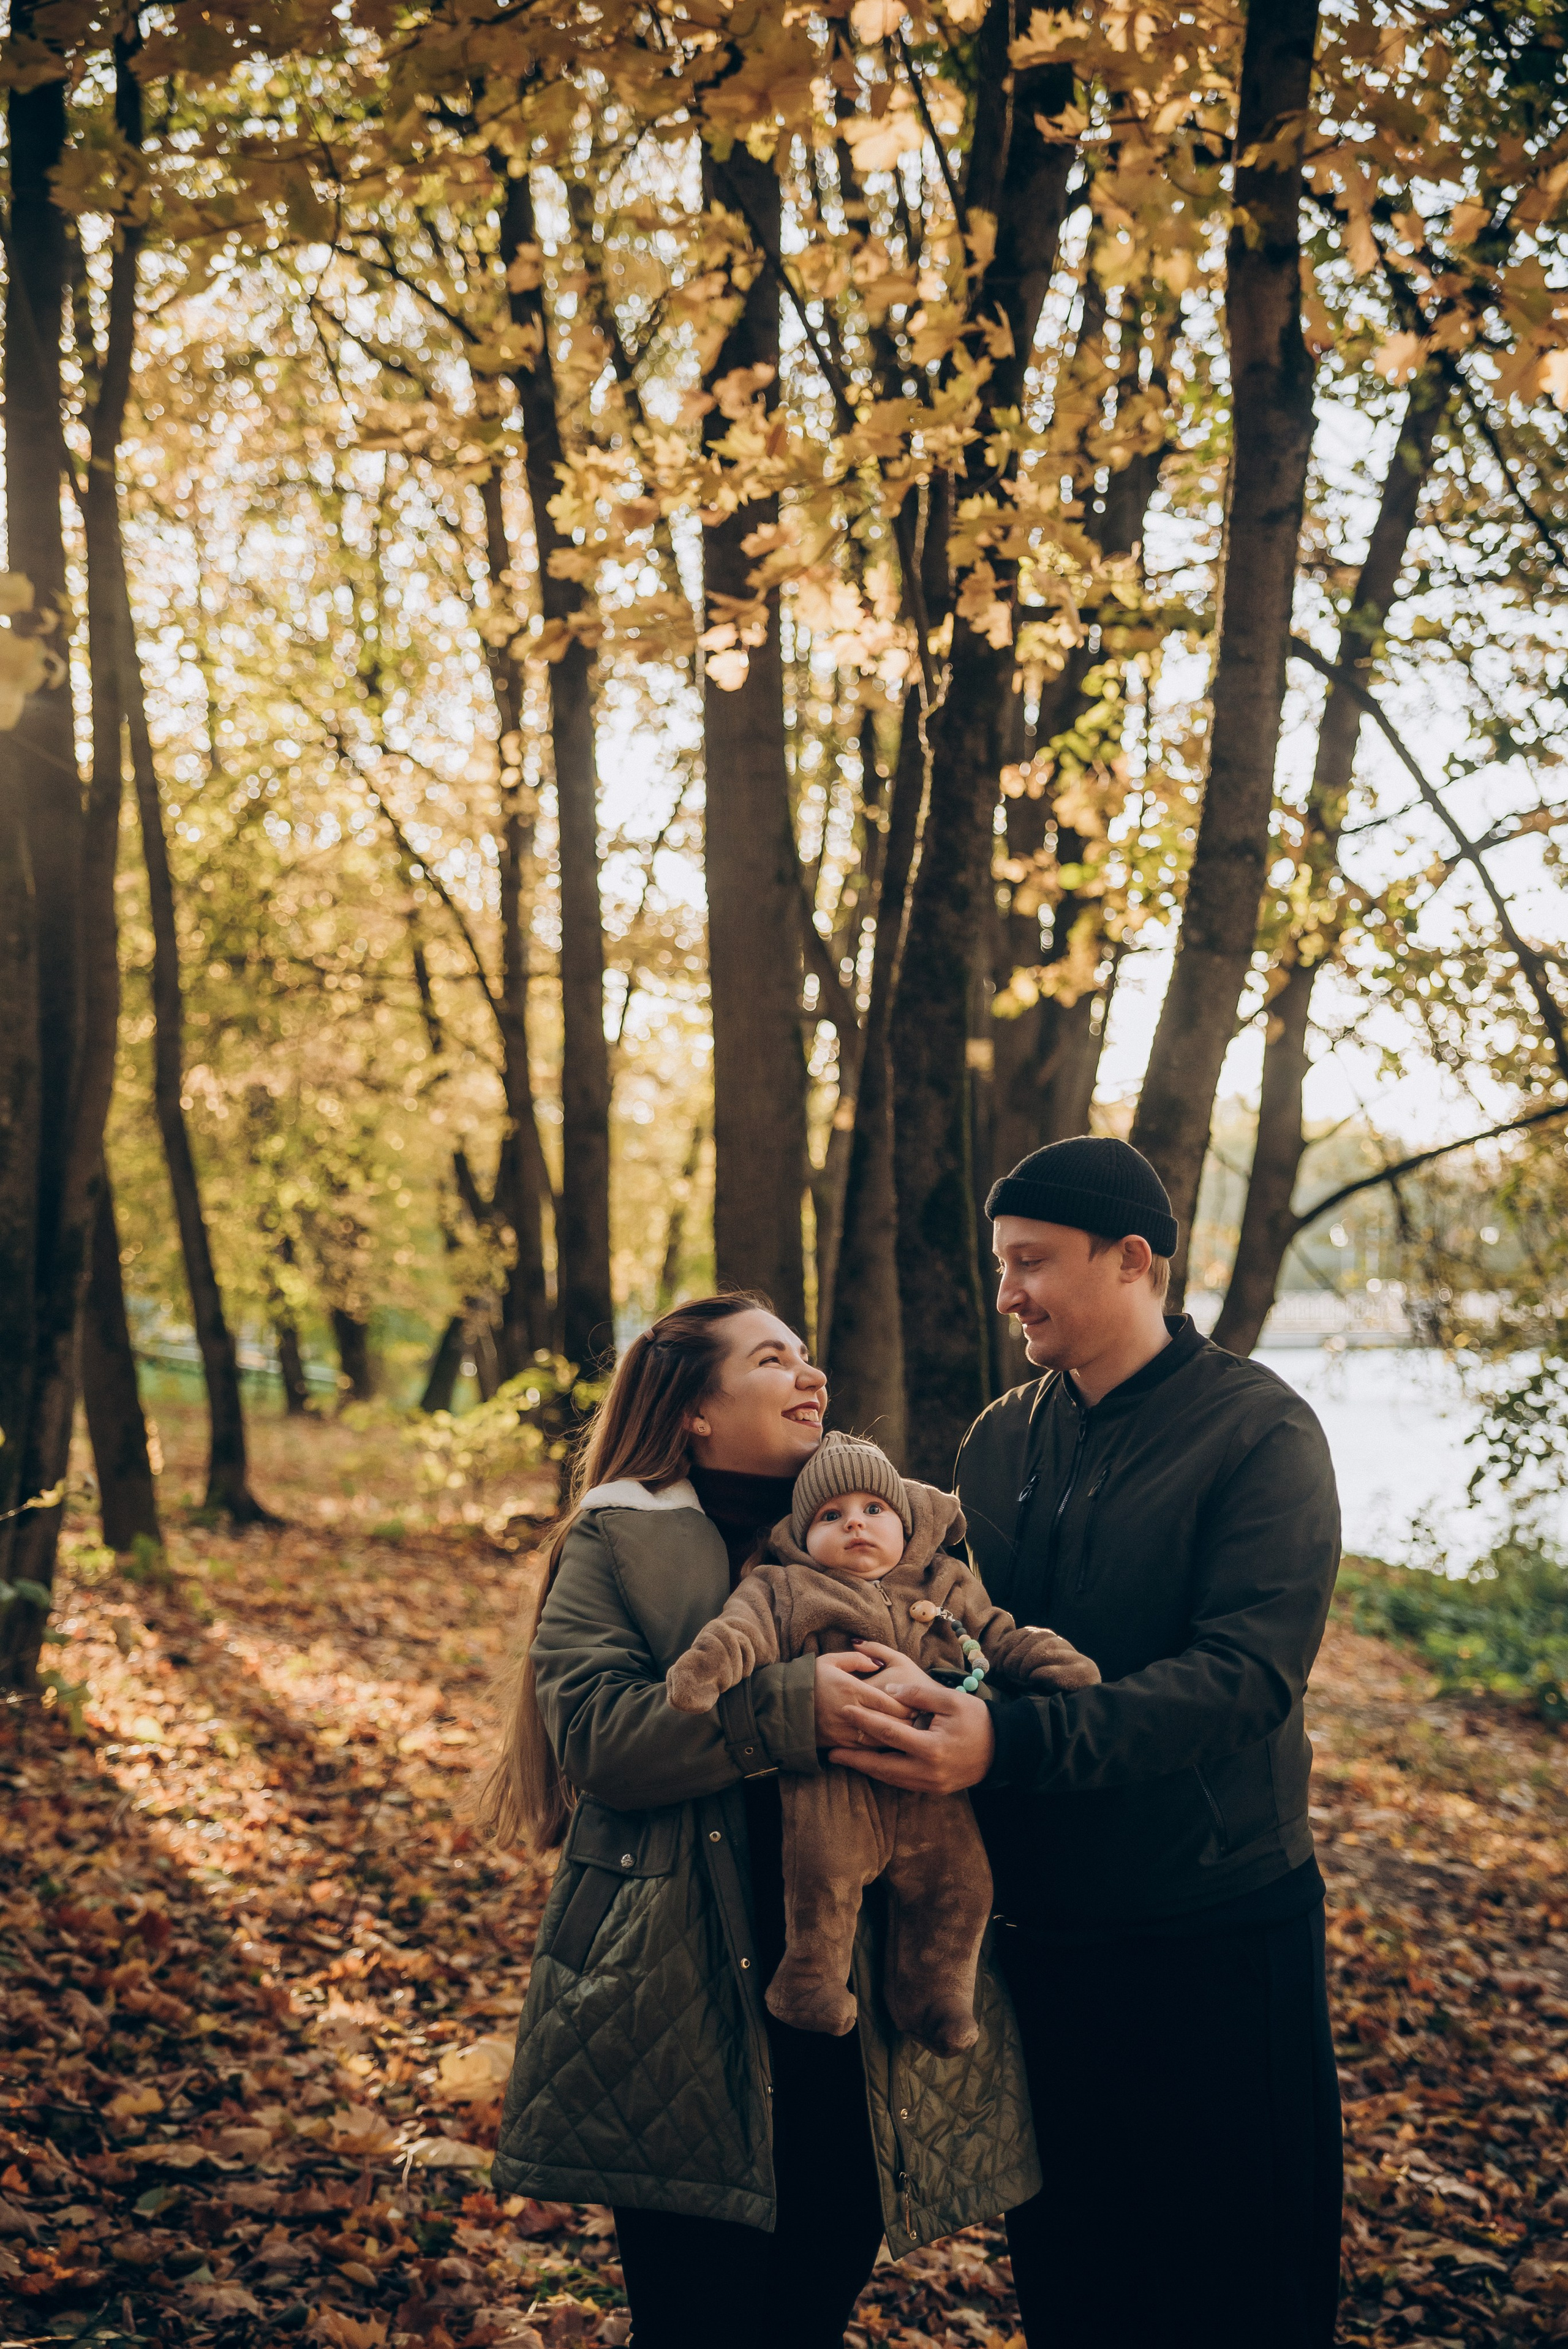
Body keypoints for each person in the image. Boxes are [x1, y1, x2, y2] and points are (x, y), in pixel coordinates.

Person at [830, 1136, 1344, 2349]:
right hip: (1044, 1944)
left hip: (1214, 1932)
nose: (1005, 1292)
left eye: (1028, 1263)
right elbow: (976, 1644)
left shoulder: (1261, 1434)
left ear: (1130, 1262)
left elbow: (1242, 1682)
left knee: (1236, 2292)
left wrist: (1003, 1750)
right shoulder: (999, 1439)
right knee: (1077, 2286)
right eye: (1000, 1264)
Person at [485, 1295, 1045, 2349]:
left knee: (821, 2269)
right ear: (695, 1408)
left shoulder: (873, 1525)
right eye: (772, 1359)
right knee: (699, 2306)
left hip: (848, 1987)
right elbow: (599, 1739)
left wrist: (970, 1714)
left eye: (809, 1356)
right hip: (679, 1982)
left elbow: (975, 1653)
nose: (812, 1376)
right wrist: (796, 1710)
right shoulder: (622, 1533)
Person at [665, 1430, 1099, 2053]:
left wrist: (1045, 1659)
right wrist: (706, 1669)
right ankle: (809, 1981)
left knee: (959, 1887)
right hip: (835, 1776)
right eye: (830, 1515)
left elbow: (998, 1634)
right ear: (800, 1533)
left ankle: (935, 1998)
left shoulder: (944, 1581)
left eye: (874, 1509)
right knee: (822, 1877)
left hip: (935, 1783)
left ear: (904, 1519)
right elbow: (741, 1632)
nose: (855, 1525)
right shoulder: (783, 1586)